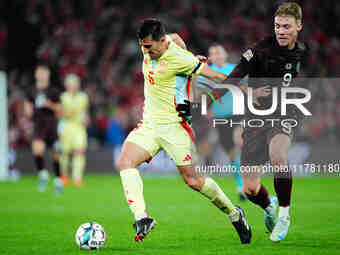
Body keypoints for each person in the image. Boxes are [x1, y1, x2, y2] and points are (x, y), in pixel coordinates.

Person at [117, 18, 251, 244]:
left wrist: (241, 82)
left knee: (194, 181)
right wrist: (189, 50)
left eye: (148, 46)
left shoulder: (181, 59)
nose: (145, 51)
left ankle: (235, 214)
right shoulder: (160, 44)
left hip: (176, 127)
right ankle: (142, 218)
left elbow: (218, 77)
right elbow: (177, 37)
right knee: (125, 162)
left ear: (160, 41)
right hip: (149, 124)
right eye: (142, 46)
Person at [222, 2, 309, 242]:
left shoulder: (301, 50)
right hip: (256, 119)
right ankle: (269, 207)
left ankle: (284, 214)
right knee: (250, 189)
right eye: (277, 26)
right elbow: (231, 79)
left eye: (286, 26)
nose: (281, 31)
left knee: (277, 155)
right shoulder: (259, 50)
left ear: (298, 26)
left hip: (285, 115)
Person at [197, 44, 247, 201]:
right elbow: (201, 93)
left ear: (225, 55)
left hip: (239, 113)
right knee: (232, 154)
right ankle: (241, 186)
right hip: (220, 118)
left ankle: (249, 181)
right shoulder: (206, 73)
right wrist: (207, 110)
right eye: (213, 53)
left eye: (219, 52)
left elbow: (248, 87)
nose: (216, 55)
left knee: (238, 140)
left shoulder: (236, 69)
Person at [24, 64, 63, 194]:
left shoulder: (53, 91)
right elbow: (27, 108)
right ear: (36, 74)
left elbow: (60, 110)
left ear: (48, 74)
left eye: (43, 72)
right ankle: (43, 174)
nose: (41, 75)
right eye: (39, 72)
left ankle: (58, 180)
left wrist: (50, 105)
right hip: (38, 124)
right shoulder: (31, 91)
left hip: (51, 124)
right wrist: (28, 111)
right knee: (37, 150)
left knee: (56, 153)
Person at [59, 74, 89, 187]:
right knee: (65, 152)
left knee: (79, 151)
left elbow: (85, 112)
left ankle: (77, 178)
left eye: (76, 84)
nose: (74, 86)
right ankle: (64, 175)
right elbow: (61, 113)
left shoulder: (83, 97)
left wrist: (86, 119)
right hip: (66, 126)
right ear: (67, 86)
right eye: (71, 84)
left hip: (79, 127)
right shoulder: (63, 97)